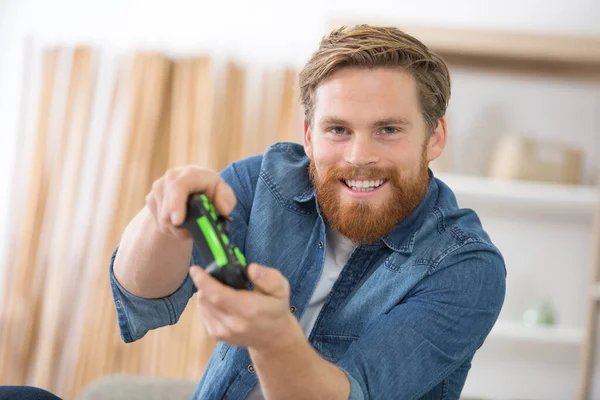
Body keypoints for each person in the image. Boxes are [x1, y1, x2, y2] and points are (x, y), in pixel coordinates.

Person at [110, 24, 506, 400]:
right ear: (308, 136)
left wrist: (273, 338)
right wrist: (165, 221)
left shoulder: (464, 266)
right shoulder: (264, 180)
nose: (359, 156)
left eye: (388, 130)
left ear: (435, 137)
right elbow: (141, 298)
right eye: (338, 130)